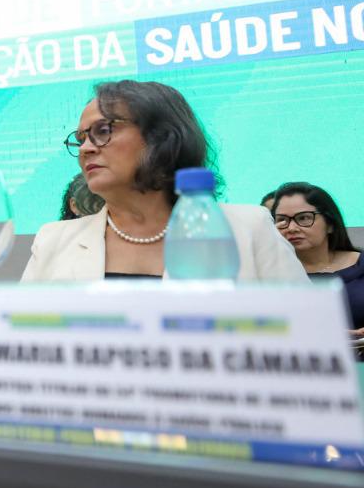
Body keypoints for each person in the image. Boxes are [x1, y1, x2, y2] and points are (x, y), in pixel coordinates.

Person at [21, 80, 306, 282]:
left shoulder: (250, 228)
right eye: (81, 138)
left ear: (162, 137)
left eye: (103, 130)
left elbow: (308, 336)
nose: (86, 149)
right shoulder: (53, 240)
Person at [270, 182, 363, 329]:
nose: (291, 228)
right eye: (282, 220)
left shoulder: (361, 264)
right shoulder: (270, 275)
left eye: (304, 218)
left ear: (330, 224)